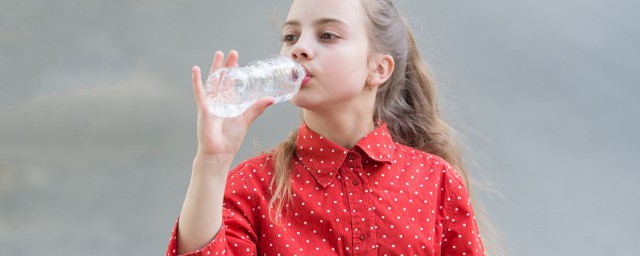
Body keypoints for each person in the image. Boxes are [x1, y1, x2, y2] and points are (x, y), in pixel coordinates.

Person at [166, 0, 491, 255]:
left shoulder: (438, 181)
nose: (298, 49)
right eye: (291, 36)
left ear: (378, 68)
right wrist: (211, 161)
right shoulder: (251, 188)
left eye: (327, 35)